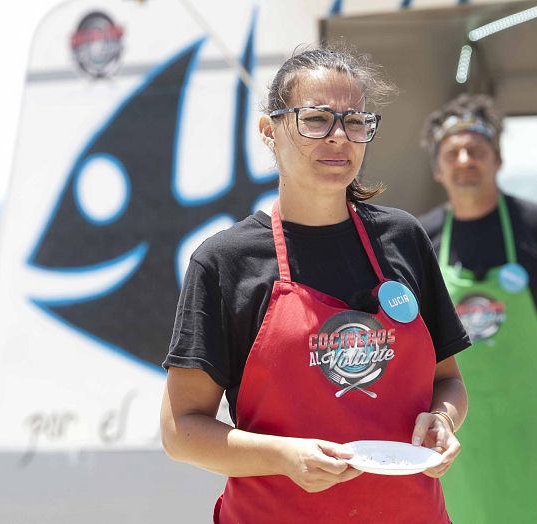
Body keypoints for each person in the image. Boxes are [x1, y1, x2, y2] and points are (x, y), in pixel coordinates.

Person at [160, 46, 470, 523]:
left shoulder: (404, 239)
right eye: (317, 119)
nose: (339, 136)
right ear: (270, 130)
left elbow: (448, 381)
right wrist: (284, 456)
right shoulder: (225, 262)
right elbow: (181, 431)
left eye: (355, 121)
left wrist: (443, 421)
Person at [418, 94, 537, 524]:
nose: (465, 160)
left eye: (476, 150)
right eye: (452, 153)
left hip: (532, 422)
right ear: (438, 169)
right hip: (458, 431)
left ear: (497, 159)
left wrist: (533, 367)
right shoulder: (421, 238)